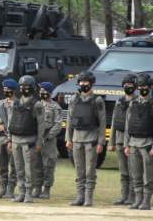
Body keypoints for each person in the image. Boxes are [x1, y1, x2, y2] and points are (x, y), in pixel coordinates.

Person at [65, 71, 106, 207]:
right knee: (79, 170)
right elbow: (69, 120)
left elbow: (102, 122)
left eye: (86, 82)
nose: (83, 84)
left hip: (91, 141)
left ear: (91, 83)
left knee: (90, 171)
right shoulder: (74, 99)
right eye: (81, 82)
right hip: (76, 140)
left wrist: (101, 142)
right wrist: (68, 139)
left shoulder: (97, 100)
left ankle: (88, 198)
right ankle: (80, 197)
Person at [7, 75, 45, 203]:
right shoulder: (16, 103)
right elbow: (11, 121)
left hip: (29, 142)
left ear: (32, 88)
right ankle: (21, 192)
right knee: (19, 169)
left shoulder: (37, 104)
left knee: (29, 170)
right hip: (16, 140)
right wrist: (10, 139)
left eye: (27, 87)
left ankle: (29, 193)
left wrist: (39, 143)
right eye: (22, 86)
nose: (24, 89)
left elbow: (41, 125)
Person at [124, 73, 152, 210]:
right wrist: (126, 144)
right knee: (135, 174)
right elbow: (127, 125)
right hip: (133, 143)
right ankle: (138, 200)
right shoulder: (132, 103)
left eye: (145, 86)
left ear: (150, 87)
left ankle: (146, 201)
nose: (142, 89)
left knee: (148, 175)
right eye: (140, 86)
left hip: (147, 143)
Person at [109, 74, 137, 206]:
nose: (127, 86)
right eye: (125, 84)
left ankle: (132, 197)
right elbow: (114, 122)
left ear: (135, 86)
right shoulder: (119, 102)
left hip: (132, 141)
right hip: (120, 140)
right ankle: (124, 196)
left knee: (133, 171)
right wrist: (111, 142)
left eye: (130, 84)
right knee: (123, 171)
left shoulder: (138, 101)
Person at [0, 79, 18, 199]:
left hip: (14, 138)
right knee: (1, 165)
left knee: (14, 165)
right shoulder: (0, 104)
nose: (5, 91)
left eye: (8, 89)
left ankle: (10, 190)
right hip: (1, 138)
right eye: (4, 89)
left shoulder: (19, 104)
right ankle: (2, 189)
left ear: (13, 90)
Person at [37, 82, 63, 199]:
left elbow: (58, 124)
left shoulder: (55, 107)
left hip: (48, 140)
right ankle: (37, 188)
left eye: (43, 90)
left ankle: (46, 189)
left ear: (49, 92)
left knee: (48, 165)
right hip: (36, 139)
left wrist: (48, 136)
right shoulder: (36, 105)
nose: (41, 92)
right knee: (36, 165)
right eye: (40, 90)